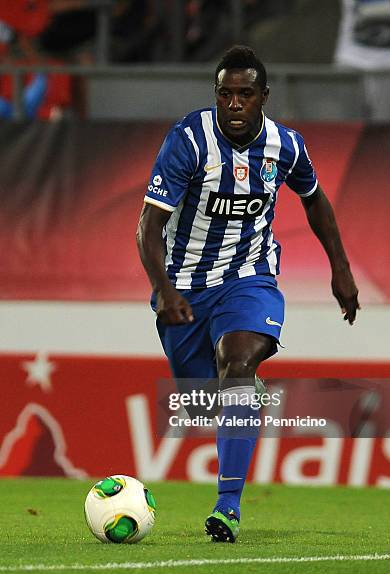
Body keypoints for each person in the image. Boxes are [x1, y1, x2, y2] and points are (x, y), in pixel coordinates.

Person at [137, 45, 360, 543]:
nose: (234, 104)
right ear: (216, 96)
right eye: (225, 94)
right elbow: (148, 226)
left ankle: (227, 507)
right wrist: (164, 287)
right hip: (185, 290)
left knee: (237, 364)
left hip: (250, 277)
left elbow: (314, 199)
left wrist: (340, 269)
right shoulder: (189, 140)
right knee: (201, 403)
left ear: (263, 96)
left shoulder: (286, 146)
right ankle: (235, 393)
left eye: (244, 94)